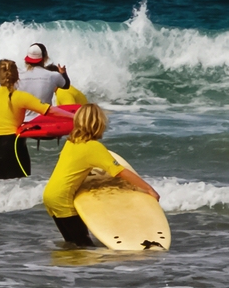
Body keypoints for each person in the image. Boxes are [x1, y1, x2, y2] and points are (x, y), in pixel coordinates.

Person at [43, 104, 158, 246]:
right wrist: (149, 189)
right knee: (84, 245)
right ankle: (87, 268)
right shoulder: (93, 147)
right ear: (98, 124)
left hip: (50, 195)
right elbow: (120, 171)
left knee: (72, 244)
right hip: (62, 199)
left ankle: (67, 266)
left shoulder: (72, 141)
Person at [0, 59, 74, 179]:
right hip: (12, 146)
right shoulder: (20, 96)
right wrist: (75, 116)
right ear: (17, 75)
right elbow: (49, 110)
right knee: (21, 186)